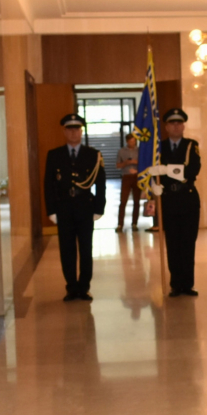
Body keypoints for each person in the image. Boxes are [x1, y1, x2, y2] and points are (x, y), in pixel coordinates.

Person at [44, 114, 106, 301]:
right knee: (67, 249)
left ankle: (84, 286)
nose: (73, 132)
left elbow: (101, 183)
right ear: (64, 131)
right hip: (64, 207)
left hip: (85, 206)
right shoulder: (54, 155)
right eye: (69, 129)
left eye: (76, 129)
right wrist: (51, 210)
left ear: (81, 131)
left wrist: (99, 208)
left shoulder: (93, 154)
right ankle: (71, 287)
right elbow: (48, 184)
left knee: (86, 249)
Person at [149, 108, 202, 297]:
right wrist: (153, 185)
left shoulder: (191, 145)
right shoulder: (158, 148)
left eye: (179, 123)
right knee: (172, 244)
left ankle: (187, 284)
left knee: (188, 244)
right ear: (166, 126)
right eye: (172, 123)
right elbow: (152, 171)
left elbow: (192, 170)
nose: (176, 126)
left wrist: (165, 169)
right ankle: (175, 284)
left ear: (183, 126)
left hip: (187, 200)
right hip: (168, 201)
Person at [115, 132, 141, 232]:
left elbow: (145, 164)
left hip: (137, 176)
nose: (133, 143)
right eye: (131, 141)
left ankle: (134, 223)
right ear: (127, 141)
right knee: (123, 201)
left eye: (134, 141)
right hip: (126, 177)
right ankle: (120, 224)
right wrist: (126, 163)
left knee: (136, 201)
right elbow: (117, 165)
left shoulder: (139, 151)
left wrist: (136, 163)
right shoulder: (121, 151)